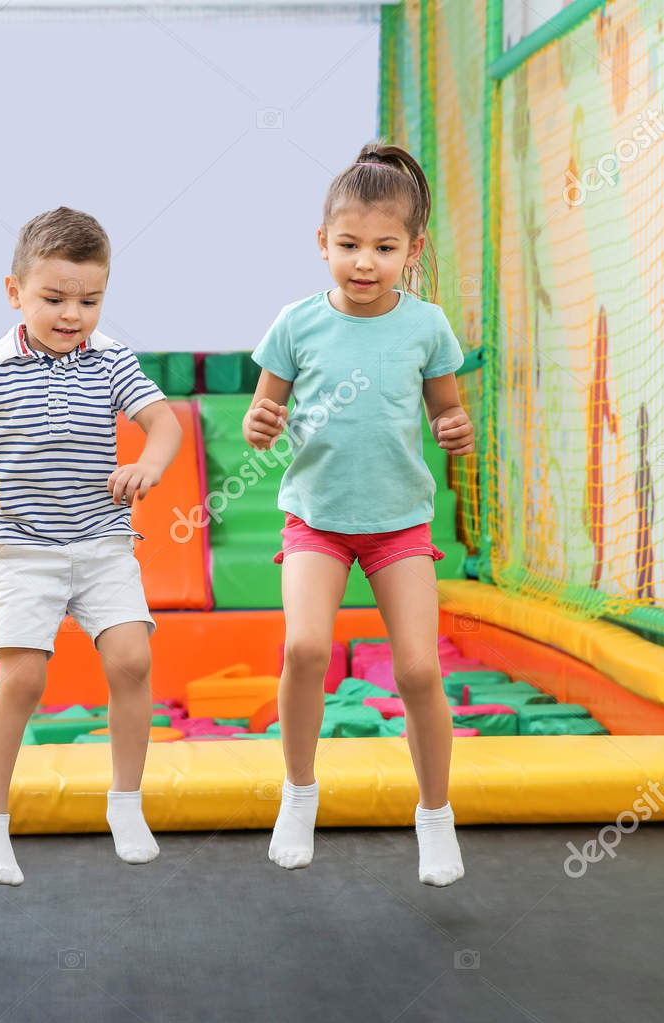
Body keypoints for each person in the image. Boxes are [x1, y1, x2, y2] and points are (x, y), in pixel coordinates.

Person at [243, 143, 476, 887]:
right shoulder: (297, 323)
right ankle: (299, 795)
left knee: (416, 670)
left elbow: (450, 414)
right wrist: (260, 424)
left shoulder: (427, 326)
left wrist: (458, 430)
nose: (364, 262)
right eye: (348, 246)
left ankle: (435, 818)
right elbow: (263, 408)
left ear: (414, 250)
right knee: (305, 650)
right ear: (323, 244)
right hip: (317, 520)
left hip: (400, 525)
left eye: (384, 247)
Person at [0, 206, 182, 887]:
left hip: (101, 542)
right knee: (25, 678)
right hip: (24, 549)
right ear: (15, 292)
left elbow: (164, 424)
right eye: (54, 298)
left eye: (89, 300)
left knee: (131, 661)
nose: (72, 314)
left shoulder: (111, 361)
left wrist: (149, 466)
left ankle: (125, 803)